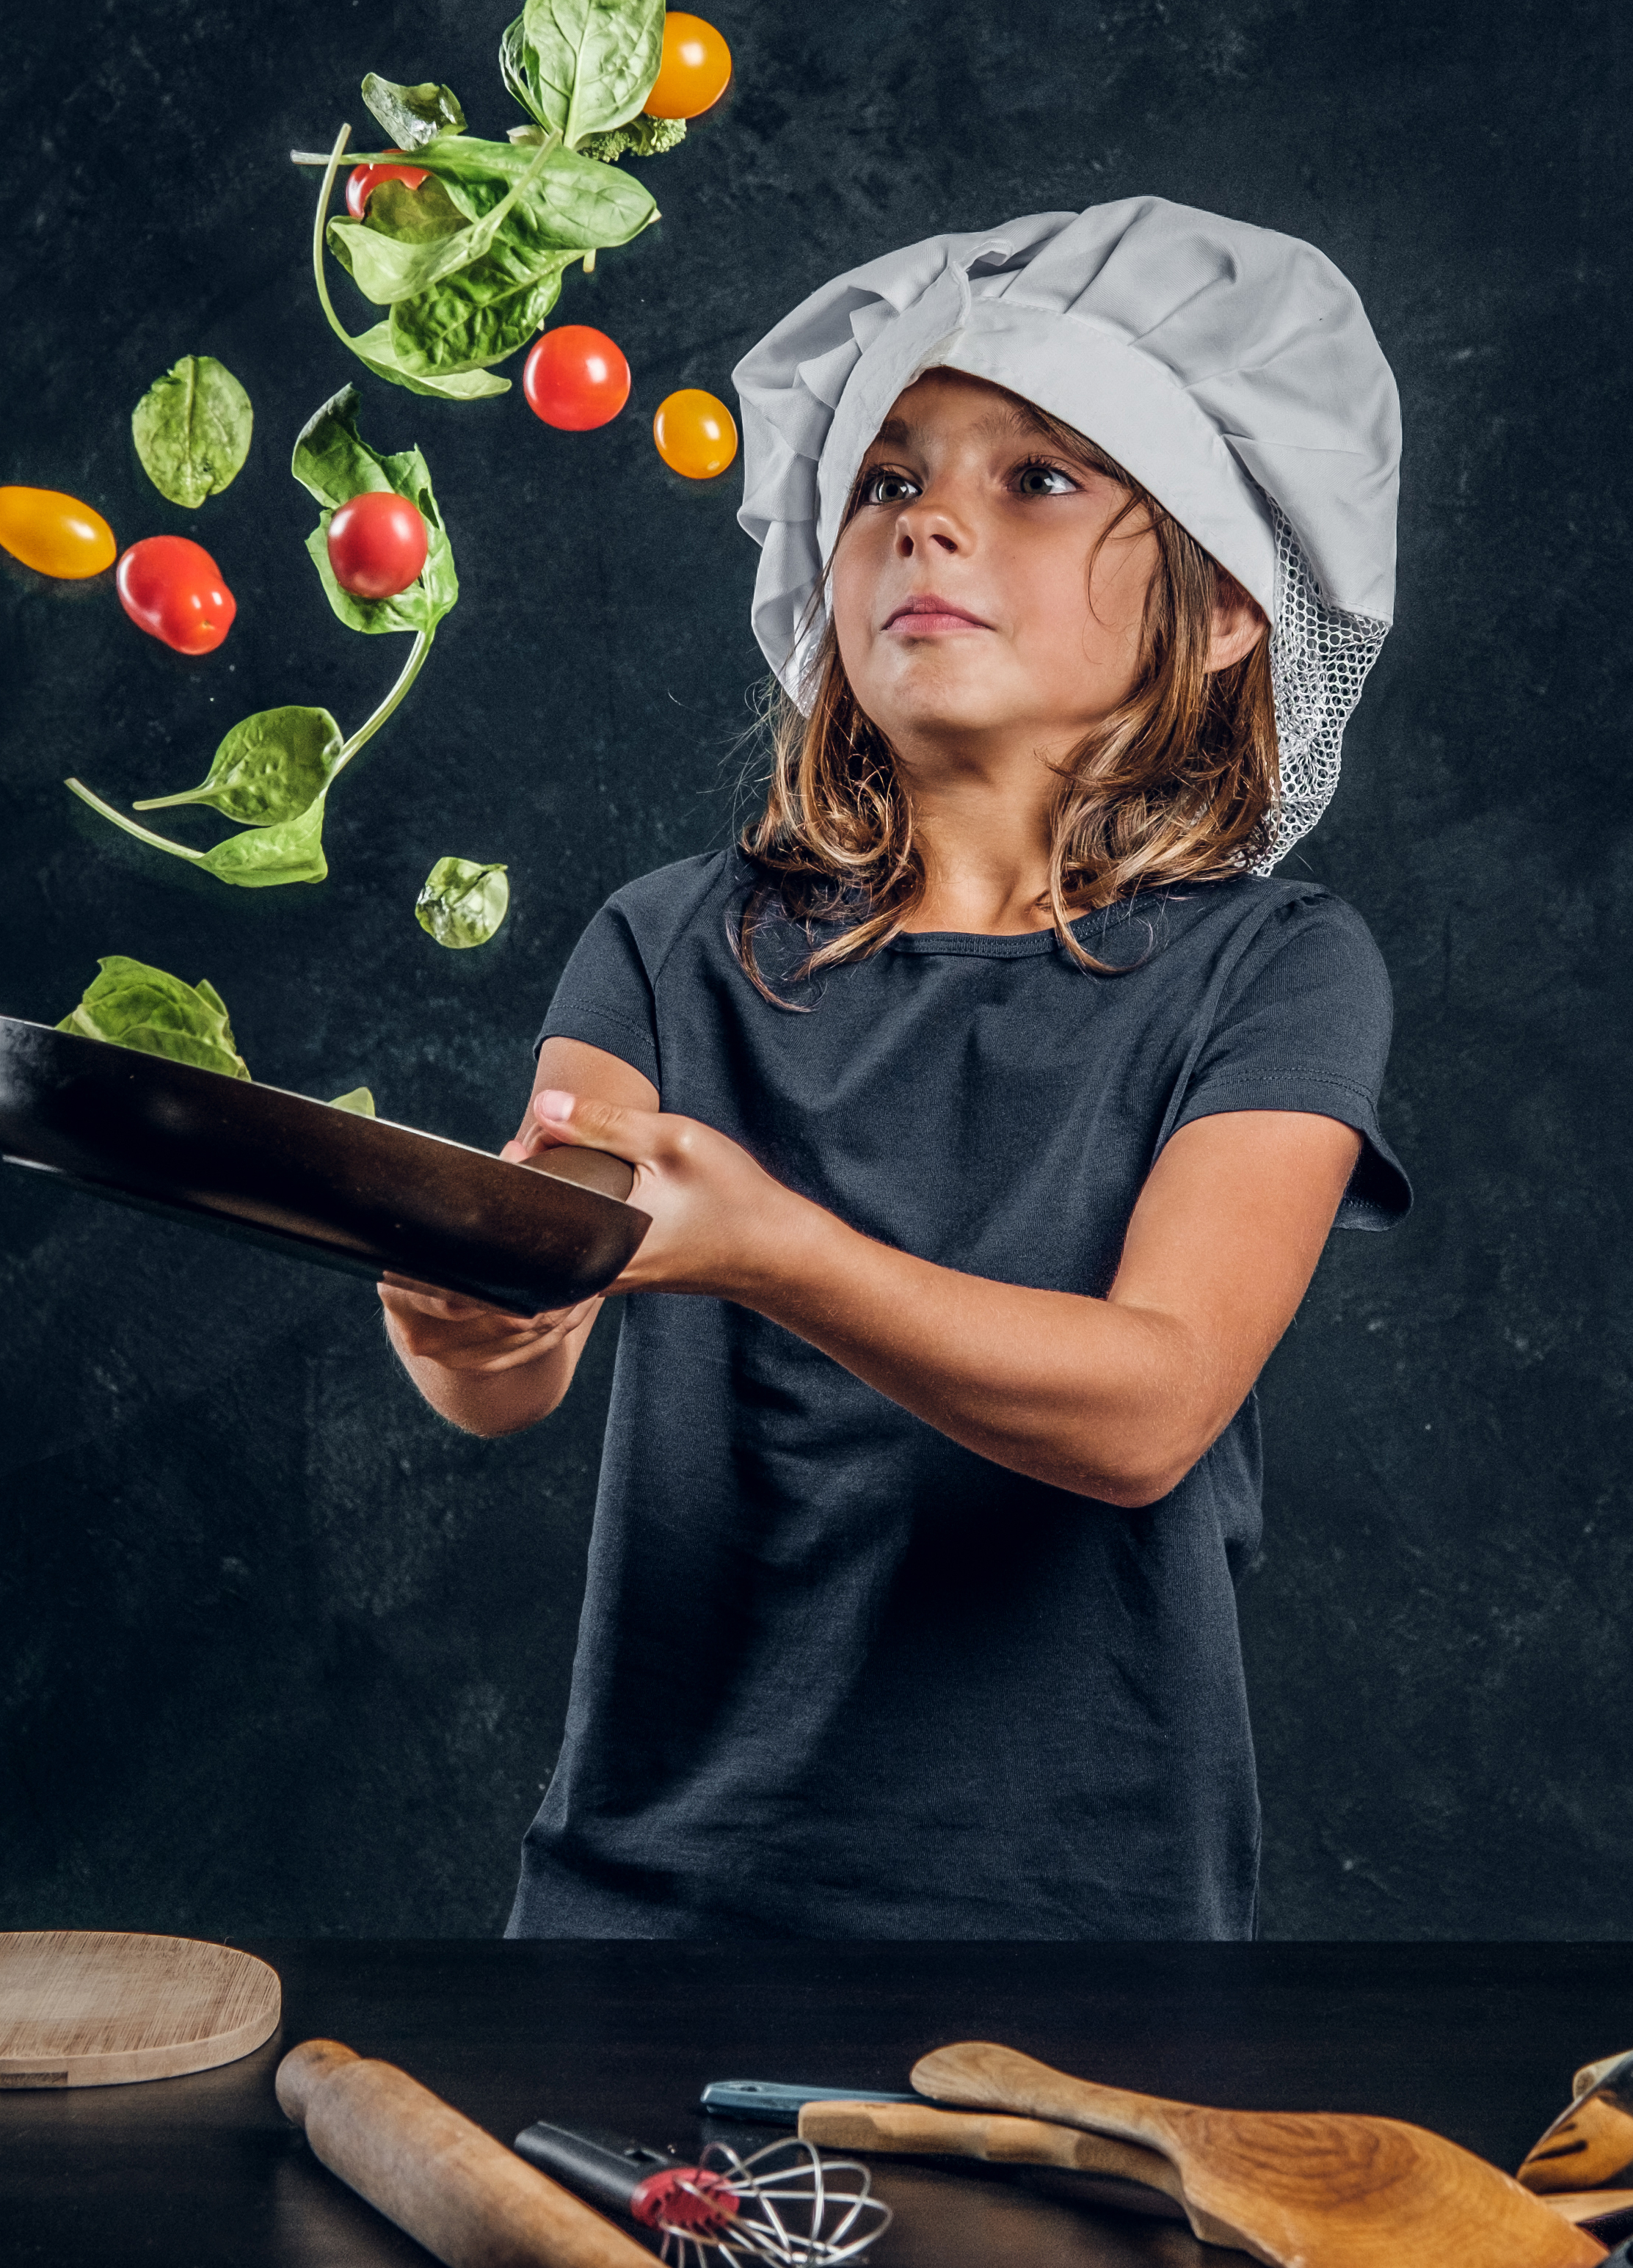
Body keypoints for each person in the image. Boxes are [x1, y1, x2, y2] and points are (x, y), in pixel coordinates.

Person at [377, 195, 1410, 1938]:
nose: (930, 515)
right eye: (885, 478)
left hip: (1090, 1928)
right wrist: (473, 1311)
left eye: (1041, 478)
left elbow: (1152, 1406)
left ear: (1228, 605)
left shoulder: (1280, 968)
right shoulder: (664, 941)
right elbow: (519, 1348)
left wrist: (772, 1247)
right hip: (647, 1911)